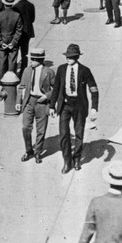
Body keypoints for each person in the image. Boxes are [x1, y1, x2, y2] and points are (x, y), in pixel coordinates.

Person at [50, 44, 99, 174]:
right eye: (67, 57)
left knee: (79, 133)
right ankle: (67, 161)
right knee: (63, 134)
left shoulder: (84, 70)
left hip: (79, 105)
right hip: (65, 105)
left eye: (71, 57)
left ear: (77, 57)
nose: (68, 59)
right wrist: (52, 105)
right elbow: (56, 89)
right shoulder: (61, 69)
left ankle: (77, 158)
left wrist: (94, 108)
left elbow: (94, 89)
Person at [17, 48, 55, 163]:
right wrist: (19, 101)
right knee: (25, 127)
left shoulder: (48, 72)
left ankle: (38, 152)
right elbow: (22, 86)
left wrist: (47, 96)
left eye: (34, 59)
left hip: (42, 103)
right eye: (31, 59)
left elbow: (56, 88)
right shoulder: (27, 71)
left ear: (40, 60)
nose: (31, 61)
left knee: (41, 130)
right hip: (29, 101)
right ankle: (29, 151)